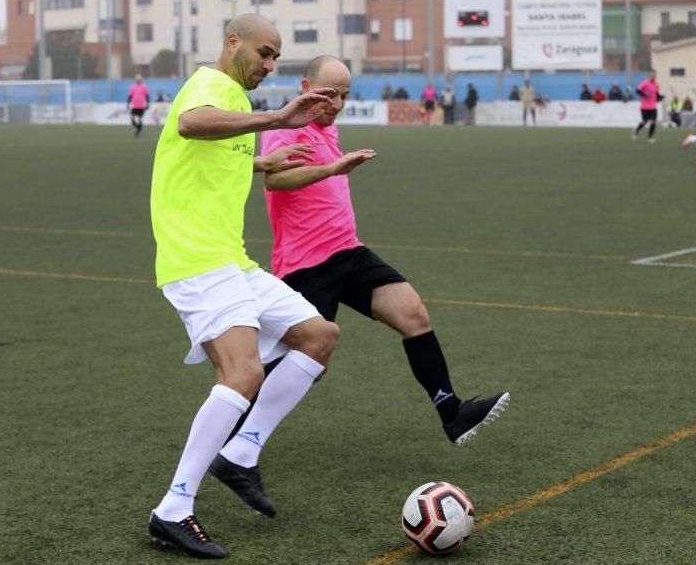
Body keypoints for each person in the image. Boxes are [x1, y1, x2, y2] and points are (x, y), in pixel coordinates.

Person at [209, 55, 510, 521]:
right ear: (308, 86)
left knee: (413, 313)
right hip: (306, 266)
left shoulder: (327, 127)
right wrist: (332, 170)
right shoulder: (288, 128)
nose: (337, 104)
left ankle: (452, 412)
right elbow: (275, 181)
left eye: (345, 96)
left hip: (349, 252)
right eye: (330, 94)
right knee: (302, 363)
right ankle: (231, 438)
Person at [147, 13, 341, 558]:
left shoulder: (234, 98)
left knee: (319, 337)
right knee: (243, 372)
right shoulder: (212, 86)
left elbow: (211, 155)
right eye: (265, 53)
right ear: (233, 42)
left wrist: (263, 162)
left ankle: (242, 454)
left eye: (276, 56)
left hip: (232, 261)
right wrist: (278, 118)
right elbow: (191, 125)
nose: (270, 64)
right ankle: (173, 508)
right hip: (197, 261)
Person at [632, 69, 664, 143]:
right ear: (649, 75)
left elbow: (656, 95)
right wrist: (644, 94)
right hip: (644, 106)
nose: (653, 76)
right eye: (652, 74)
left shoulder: (656, 84)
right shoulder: (645, 83)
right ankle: (636, 130)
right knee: (644, 122)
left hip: (653, 107)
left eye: (654, 75)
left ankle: (650, 137)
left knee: (653, 122)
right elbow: (637, 91)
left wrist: (660, 97)